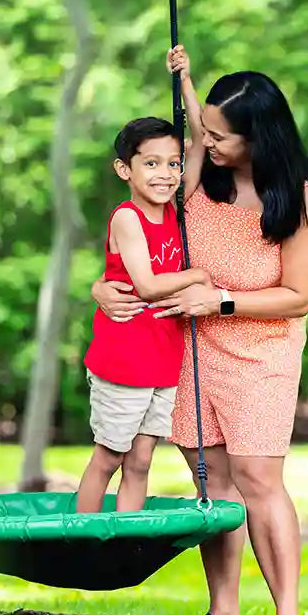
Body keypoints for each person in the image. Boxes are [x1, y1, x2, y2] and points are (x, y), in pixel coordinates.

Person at [90, 46, 308, 615]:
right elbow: (140, 241)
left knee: (258, 481)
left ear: (259, 137)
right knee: (211, 484)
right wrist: (102, 287)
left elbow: (299, 297)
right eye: (209, 130)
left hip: (260, 352)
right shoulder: (201, 180)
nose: (209, 141)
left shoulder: (298, 197)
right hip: (187, 350)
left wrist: (217, 300)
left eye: (222, 135)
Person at [76, 116, 213, 515]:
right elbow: (148, 285)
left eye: (173, 164)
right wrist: (198, 275)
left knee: (140, 462)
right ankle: (84, 542)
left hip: (162, 361)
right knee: (109, 458)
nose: (165, 174)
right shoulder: (128, 218)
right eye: (151, 163)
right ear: (125, 169)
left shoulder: (174, 211)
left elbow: (200, 141)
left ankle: (123, 541)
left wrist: (184, 80)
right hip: (124, 361)